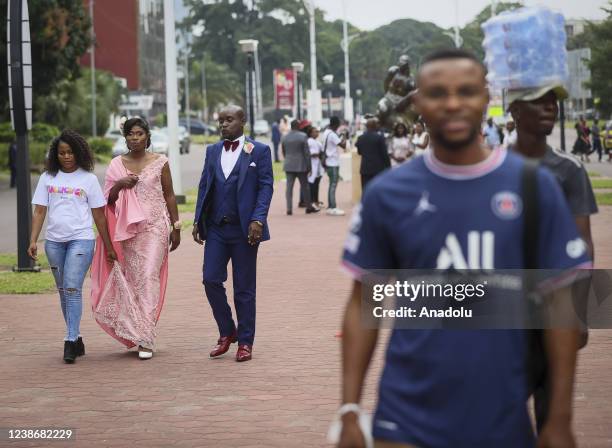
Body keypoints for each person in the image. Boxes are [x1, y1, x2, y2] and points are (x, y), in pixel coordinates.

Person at [338, 49, 589, 448]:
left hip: (502, 420)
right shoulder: (388, 194)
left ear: (485, 98)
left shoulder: (534, 187)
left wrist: (558, 419)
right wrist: (349, 408)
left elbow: (561, 302)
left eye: (466, 91)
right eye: (438, 93)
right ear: (418, 103)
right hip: (403, 421)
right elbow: (362, 302)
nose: (453, 103)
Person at [508, 83, 598, 430]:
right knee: (499, 416)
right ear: (515, 111)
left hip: (552, 307)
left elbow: (583, 244)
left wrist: (580, 313)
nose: (550, 109)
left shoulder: (569, 170)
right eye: (539, 103)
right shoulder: (492, 167)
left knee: (552, 416)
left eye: (553, 103)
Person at [90, 117, 181, 360]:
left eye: (140, 134)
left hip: (155, 228)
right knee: (135, 280)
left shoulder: (160, 161)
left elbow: (170, 194)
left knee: (149, 275)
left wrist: (177, 226)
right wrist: (119, 185)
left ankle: (146, 339)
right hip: (128, 231)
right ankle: (136, 329)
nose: (135, 138)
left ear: (147, 136)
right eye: (131, 134)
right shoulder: (116, 165)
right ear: (125, 137)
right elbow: (106, 202)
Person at [193, 105, 273, 362]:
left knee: (244, 288)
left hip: (244, 230)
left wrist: (258, 219)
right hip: (217, 227)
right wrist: (197, 220)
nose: (223, 125)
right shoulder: (212, 150)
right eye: (220, 121)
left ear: (243, 121)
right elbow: (205, 186)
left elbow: (265, 187)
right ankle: (227, 331)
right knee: (210, 279)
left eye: (229, 120)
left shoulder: (259, 151)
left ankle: (246, 342)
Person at [28, 129, 116, 363]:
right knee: (63, 291)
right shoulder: (48, 178)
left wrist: (108, 246)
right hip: (54, 242)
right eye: (61, 153)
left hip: (81, 239)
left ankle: (69, 340)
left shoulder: (88, 179)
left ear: (79, 153)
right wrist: (33, 240)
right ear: (55, 155)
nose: (66, 157)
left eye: (70, 153)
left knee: (71, 288)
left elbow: (99, 216)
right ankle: (76, 337)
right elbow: (39, 211)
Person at [282, 119, 319, 215]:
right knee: (305, 187)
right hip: (301, 165)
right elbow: (307, 153)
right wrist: (309, 167)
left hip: (289, 164)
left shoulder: (285, 137)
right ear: (298, 126)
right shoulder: (303, 136)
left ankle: (289, 208)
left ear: (291, 126)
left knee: (289, 188)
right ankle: (308, 207)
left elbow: (284, 151)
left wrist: (288, 159)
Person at [322, 116, 347, 216]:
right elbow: (343, 145)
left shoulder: (326, 132)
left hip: (328, 161)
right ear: (336, 124)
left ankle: (330, 207)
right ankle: (333, 207)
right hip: (333, 162)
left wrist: (340, 135)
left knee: (331, 184)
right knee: (333, 184)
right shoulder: (332, 134)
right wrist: (344, 136)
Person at [356, 118, 390, 188]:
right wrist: (388, 166)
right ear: (375, 126)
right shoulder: (379, 138)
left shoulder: (360, 138)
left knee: (366, 189)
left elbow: (359, 152)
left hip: (365, 169)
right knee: (377, 189)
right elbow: (384, 154)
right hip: (378, 169)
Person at [307, 126, 325, 207]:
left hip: (318, 166)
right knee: (312, 185)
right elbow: (311, 154)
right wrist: (320, 154)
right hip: (312, 166)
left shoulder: (317, 141)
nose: (317, 133)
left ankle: (316, 201)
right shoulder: (309, 141)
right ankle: (312, 202)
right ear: (310, 133)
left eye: (317, 132)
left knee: (316, 184)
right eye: (315, 132)